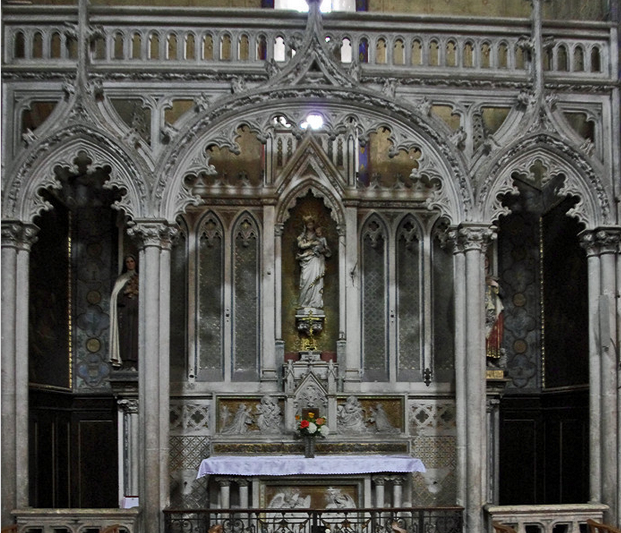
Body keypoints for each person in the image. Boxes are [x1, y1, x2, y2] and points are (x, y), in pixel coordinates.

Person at [109, 254, 139, 370]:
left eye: (132, 261)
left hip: (137, 313)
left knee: (136, 336)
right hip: (125, 313)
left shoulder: (141, 277)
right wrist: (125, 292)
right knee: (125, 337)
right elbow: (115, 297)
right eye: (128, 262)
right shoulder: (121, 279)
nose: (130, 264)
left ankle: (135, 363)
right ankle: (126, 362)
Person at [296, 215, 331, 310]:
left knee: (317, 281)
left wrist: (322, 250)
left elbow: (327, 250)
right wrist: (311, 243)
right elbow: (300, 245)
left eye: (311, 224)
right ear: (306, 225)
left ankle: (315, 302)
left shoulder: (319, 236)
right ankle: (304, 302)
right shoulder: (302, 236)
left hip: (317, 260)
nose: (310, 226)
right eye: (308, 224)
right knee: (305, 279)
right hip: (307, 261)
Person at [485, 256, 504, 364]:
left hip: (494, 311)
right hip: (480, 313)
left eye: (487, 261)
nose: (485, 263)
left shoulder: (492, 280)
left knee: (494, 335)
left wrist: (494, 285)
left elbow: (503, 294)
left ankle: (490, 360)